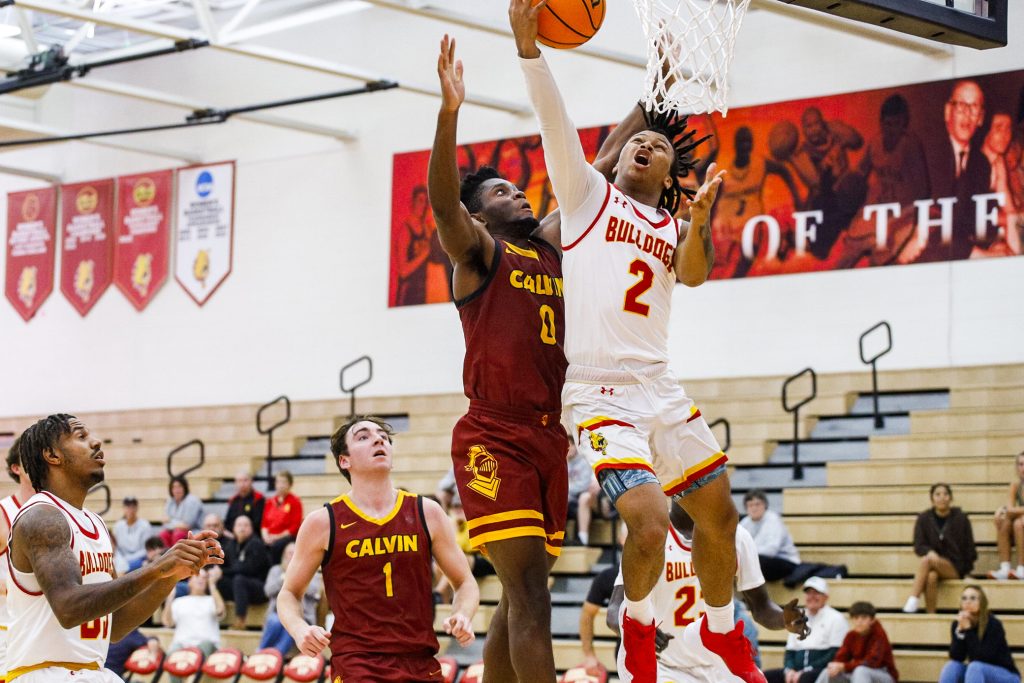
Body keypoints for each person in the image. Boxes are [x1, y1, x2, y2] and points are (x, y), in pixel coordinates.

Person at [509, 4, 761, 681]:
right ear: (621, 158)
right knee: (648, 523)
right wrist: (530, 50)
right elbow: (553, 118)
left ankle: (720, 632)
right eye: (639, 142)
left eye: (662, 149)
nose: (647, 145)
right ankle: (638, 628)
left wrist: (700, 224)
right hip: (599, 391)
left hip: (661, 386)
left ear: (667, 177)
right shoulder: (586, 194)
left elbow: (696, 277)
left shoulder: (670, 226)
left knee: (722, 517)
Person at [428, 32, 647, 682]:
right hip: (495, 435)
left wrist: (654, 97)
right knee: (531, 597)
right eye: (499, 192)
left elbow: (602, 161)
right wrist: (448, 113)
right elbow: (443, 203)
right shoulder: (480, 255)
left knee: (516, 600)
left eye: (516, 188)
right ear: (478, 215)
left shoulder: (551, 243)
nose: (517, 194)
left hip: (552, 438)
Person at [5, 414, 222, 683]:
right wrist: (155, 569)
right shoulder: (42, 517)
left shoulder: (95, 522)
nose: (96, 442)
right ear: (52, 455)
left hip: (90, 672)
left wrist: (171, 576)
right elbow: (69, 607)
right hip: (43, 673)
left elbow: (115, 625)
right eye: (81, 436)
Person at [277, 417, 478, 681]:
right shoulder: (323, 522)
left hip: (419, 661)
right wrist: (299, 628)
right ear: (344, 461)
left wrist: (462, 614)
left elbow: (464, 582)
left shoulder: (426, 512)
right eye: (363, 436)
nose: (378, 439)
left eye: (383, 436)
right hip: (357, 664)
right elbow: (289, 593)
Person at [607, 504, 809, 683]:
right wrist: (641, 633)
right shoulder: (652, 535)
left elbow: (761, 607)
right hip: (665, 666)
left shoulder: (736, 536)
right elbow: (614, 611)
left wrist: (783, 619)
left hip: (719, 664)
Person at [918, 79, 993, 263]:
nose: (967, 114)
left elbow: (978, 222)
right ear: (947, 112)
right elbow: (931, 224)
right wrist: (973, 253)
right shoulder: (927, 153)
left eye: (974, 107)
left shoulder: (982, 164)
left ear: (981, 117)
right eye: (960, 105)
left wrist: (991, 245)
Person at [903, 483, 976, 614]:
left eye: (945, 494)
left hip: (955, 567)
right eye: (937, 494)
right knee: (931, 576)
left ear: (951, 498)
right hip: (934, 564)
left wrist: (966, 571)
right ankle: (931, 615)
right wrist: (929, 551)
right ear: (932, 499)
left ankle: (913, 599)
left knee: (927, 560)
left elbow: (969, 547)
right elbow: (918, 545)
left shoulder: (961, 518)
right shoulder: (924, 518)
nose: (942, 497)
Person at [764, 577, 848, 683]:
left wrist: (806, 670)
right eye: (808, 593)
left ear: (826, 597)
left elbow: (834, 654)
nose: (811, 597)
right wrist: (789, 670)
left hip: (821, 670)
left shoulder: (836, 618)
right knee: (764, 677)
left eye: (816, 593)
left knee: (805, 678)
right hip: (798, 671)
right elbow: (790, 652)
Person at [1, 435, 36, 682]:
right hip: (7, 630)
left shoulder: (57, 512)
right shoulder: (4, 513)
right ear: (16, 468)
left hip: (41, 631)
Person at [938, 585, 1020, 683]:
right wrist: (960, 633)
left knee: (975, 667)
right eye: (964, 598)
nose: (968, 601)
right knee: (952, 666)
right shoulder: (958, 623)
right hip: (978, 672)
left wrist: (968, 631)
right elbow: (957, 656)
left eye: (973, 598)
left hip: (1006, 675)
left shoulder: (993, 624)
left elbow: (983, 657)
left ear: (981, 602)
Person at [259, 542, 322, 657]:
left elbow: (315, 590)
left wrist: (296, 579)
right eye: (289, 553)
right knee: (275, 621)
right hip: (276, 613)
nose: (292, 556)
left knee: (291, 625)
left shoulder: (310, 570)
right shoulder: (276, 570)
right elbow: (268, 590)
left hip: (304, 616)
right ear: (284, 556)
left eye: (295, 553)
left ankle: (276, 656)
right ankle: (260, 652)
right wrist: (284, 579)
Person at [815, 601, 897, 683]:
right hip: (859, 673)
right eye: (856, 618)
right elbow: (841, 658)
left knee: (861, 671)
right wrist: (836, 666)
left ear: (872, 620)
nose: (859, 621)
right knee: (829, 671)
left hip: (883, 674)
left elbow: (872, 662)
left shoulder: (879, 634)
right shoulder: (851, 635)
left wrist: (844, 666)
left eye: (864, 618)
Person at [216, 514, 271, 631]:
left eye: (246, 525)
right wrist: (215, 572)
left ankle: (240, 621)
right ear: (233, 529)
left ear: (251, 528)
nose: (242, 528)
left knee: (239, 579)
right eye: (239, 525)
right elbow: (221, 564)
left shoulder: (256, 544)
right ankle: (216, 616)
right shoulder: (231, 545)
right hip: (240, 589)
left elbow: (248, 569)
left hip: (260, 588)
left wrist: (223, 571)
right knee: (217, 580)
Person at [161, 567, 225, 661]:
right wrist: (170, 599)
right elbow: (167, 623)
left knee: (204, 647)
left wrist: (212, 584)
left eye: (204, 578)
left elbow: (220, 610)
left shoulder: (212, 600)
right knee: (171, 655)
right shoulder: (179, 601)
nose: (201, 579)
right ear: (189, 581)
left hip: (207, 646)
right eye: (198, 576)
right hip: (182, 645)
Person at [740, 489, 801, 582]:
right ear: (746, 508)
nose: (754, 508)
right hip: (759, 561)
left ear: (765, 505)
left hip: (785, 562)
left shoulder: (773, 520)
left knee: (754, 562)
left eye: (757, 504)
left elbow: (771, 550)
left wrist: (747, 552)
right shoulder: (745, 522)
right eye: (750, 505)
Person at [990, 451, 1024, 580]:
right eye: (1020, 464)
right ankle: (1005, 568)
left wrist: (1010, 510)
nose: (1023, 468)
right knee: (1003, 519)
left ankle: (1022, 568)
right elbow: (1010, 508)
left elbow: (1012, 510)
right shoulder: (1015, 485)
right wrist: (1002, 510)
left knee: (1018, 523)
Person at [567, 438, 604, 546]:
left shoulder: (584, 461)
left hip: (589, 497)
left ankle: (582, 539)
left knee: (584, 497)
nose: (568, 449)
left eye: (570, 446)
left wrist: (567, 491)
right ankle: (558, 538)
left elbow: (585, 485)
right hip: (570, 499)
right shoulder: (561, 462)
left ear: (575, 447)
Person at [261, 470, 303, 564]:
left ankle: (274, 568)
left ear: (290, 484)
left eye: (284, 482)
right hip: (270, 536)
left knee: (276, 546)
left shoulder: (295, 502)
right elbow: (264, 524)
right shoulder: (270, 502)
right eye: (278, 482)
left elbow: (294, 527)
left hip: (287, 537)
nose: (281, 485)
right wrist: (266, 537)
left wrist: (276, 537)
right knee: (257, 545)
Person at [160, 475, 204, 548]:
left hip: (194, 531)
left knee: (178, 534)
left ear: (185, 488)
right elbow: (164, 521)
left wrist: (170, 521)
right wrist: (176, 524)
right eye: (174, 487)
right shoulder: (170, 500)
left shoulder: (192, 501)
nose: (177, 490)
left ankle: (178, 558)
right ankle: (167, 558)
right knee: (163, 534)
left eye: (179, 486)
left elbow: (187, 525)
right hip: (175, 530)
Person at [113, 496, 155, 572]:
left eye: (133, 507)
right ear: (123, 508)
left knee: (126, 567)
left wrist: (126, 560)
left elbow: (146, 550)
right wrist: (120, 560)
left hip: (140, 559)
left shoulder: (145, 525)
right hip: (121, 559)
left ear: (137, 508)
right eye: (127, 507)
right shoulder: (118, 526)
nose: (130, 510)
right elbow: (116, 548)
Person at [224, 470, 265, 537]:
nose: (242, 484)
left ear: (251, 481)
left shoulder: (258, 499)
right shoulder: (233, 500)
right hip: (233, 536)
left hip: (252, 537)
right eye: (239, 481)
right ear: (236, 483)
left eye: (245, 480)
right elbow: (228, 522)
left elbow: (257, 524)